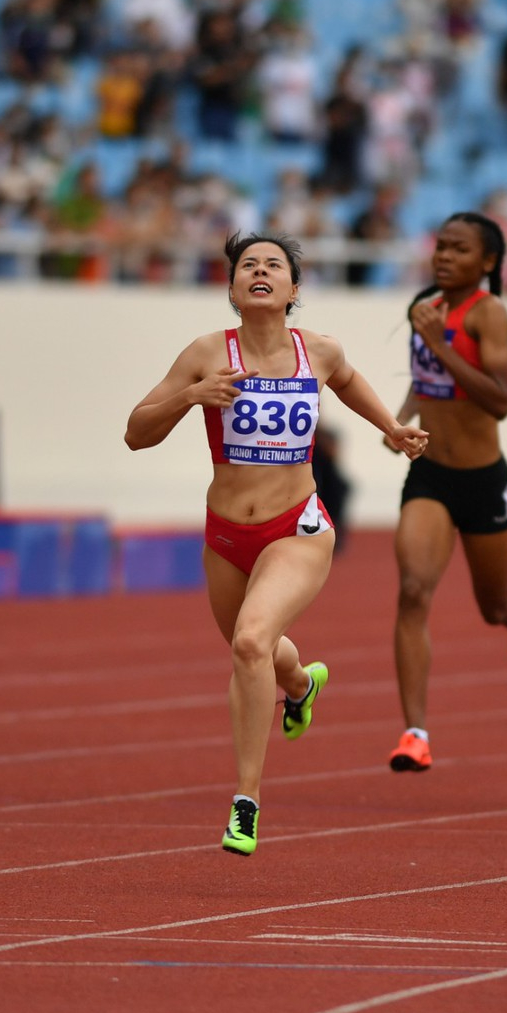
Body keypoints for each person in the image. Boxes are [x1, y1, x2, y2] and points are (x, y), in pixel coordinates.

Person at [125, 234, 429, 855]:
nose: (260, 272)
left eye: (274, 266)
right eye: (248, 266)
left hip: (297, 527)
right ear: (234, 289)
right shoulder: (207, 353)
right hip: (225, 533)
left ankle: (247, 801)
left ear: (293, 290)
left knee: (249, 641)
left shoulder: (316, 351)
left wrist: (392, 428)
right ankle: (301, 686)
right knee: (260, 655)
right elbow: (135, 433)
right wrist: (191, 398)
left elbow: (346, 380)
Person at [385, 213, 507, 774]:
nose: (444, 256)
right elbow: (423, 375)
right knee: (411, 590)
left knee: (493, 606)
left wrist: (440, 342)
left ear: (488, 263)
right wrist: (399, 418)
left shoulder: (490, 315)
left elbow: (500, 400)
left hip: (484, 481)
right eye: (440, 246)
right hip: (430, 476)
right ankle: (415, 733)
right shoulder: (424, 308)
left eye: (459, 249)